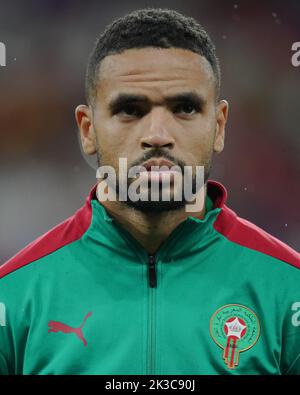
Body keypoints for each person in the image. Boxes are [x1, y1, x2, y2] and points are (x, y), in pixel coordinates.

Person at [0, 8, 299, 376]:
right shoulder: (12, 300)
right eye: (130, 110)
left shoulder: (289, 292)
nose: (157, 135)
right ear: (88, 129)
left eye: (185, 108)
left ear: (219, 126)